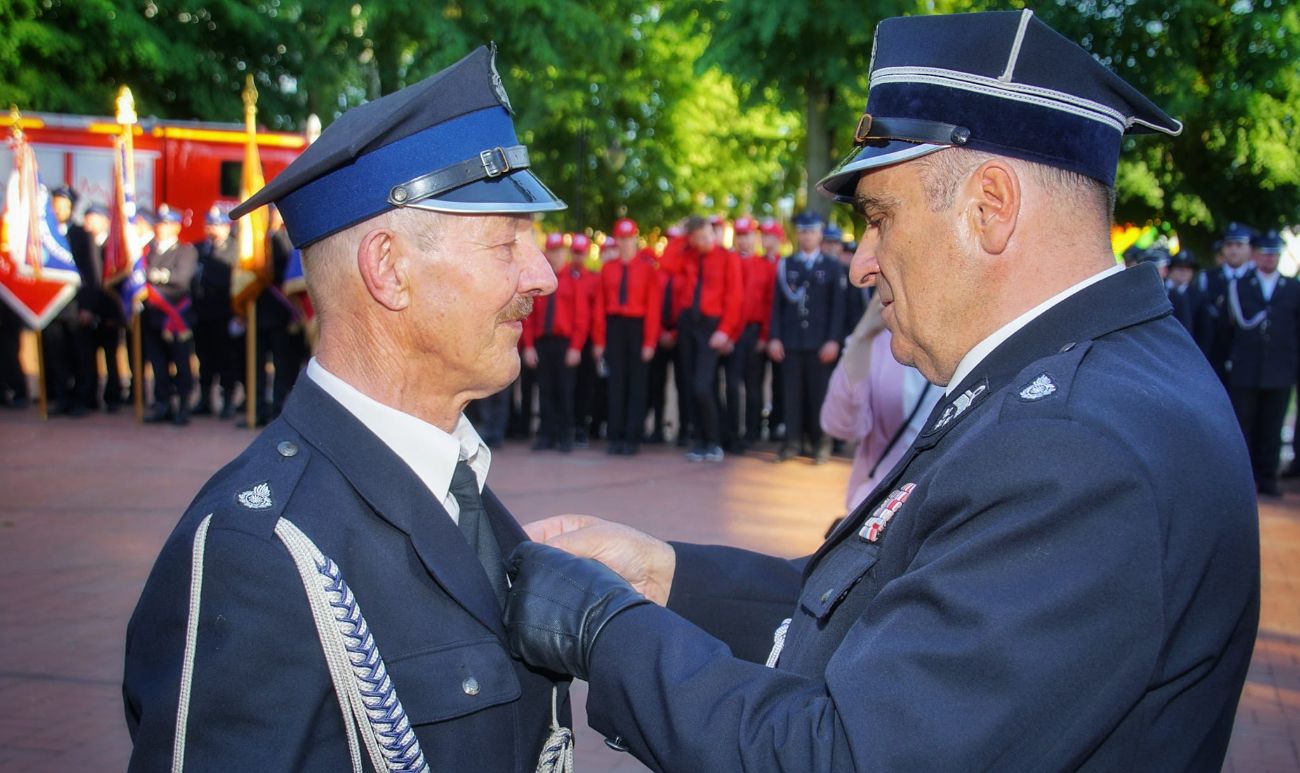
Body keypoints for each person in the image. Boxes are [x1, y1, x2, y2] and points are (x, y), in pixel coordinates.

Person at [501, 11, 1259, 771]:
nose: (862, 262)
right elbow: (884, 612)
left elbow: (844, 756)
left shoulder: (1076, 442)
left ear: (990, 206)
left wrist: (604, 629)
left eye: (879, 217)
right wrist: (663, 576)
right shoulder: (1084, 384)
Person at [124, 46, 573, 772]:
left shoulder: (466, 499)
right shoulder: (257, 553)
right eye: (506, 241)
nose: (542, 275)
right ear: (389, 268)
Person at [821, 295, 940, 512]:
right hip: (877, 506)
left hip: (941, 512)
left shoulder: (982, 343)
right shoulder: (881, 342)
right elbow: (839, 425)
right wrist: (861, 339)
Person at [768, 211, 847, 463]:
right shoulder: (787, 265)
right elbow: (776, 306)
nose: (807, 236)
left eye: (812, 231)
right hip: (792, 342)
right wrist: (775, 337)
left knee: (819, 396)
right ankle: (791, 442)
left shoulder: (832, 266)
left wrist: (834, 339)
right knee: (791, 395)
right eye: (803, 231)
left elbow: (838, 308)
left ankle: (820, 444)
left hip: (820, 343)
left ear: (820, 233)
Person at [1224, 230, 1297, 498]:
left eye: (1274, 254)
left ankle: (1268, 478)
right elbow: (1228, 331)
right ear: (1255, 255)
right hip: (1246, 369)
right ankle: (1245, 480)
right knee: (1244, 426)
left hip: (1279, 370)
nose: (1270, 259)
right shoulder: (1241, 285)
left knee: (1272, 427)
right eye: (1265, 253)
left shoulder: (1292, 288)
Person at [671, 215, 743, 462]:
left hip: (711, 327)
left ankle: (714, 441)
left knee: (703, 386)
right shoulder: (687, 254)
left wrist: (725, 330)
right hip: (689, 324)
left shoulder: (727, 257)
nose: (706, 241)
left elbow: (735, 298)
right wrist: (681, 238)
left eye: (708, 235)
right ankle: (701, 440)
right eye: (699, 237)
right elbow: (667, 264)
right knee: (694, 385)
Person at [592, 218, 660, 455]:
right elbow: (600, 308)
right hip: (615, 327)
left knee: (637, 386)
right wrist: (599, 341)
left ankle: (633, 437)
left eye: (629, 238)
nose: (625, 243)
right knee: (616, 384)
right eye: (621, 239)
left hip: (637, 327)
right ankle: (615, 436)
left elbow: (653, 308)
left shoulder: (647, 269)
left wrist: (650, 341)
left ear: (635, 238)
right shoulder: (608, 269)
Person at [523, 230, 590, 452]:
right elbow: (530, 316)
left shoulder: (573, 279)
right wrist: (530, 345)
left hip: (565, 343)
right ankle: (546, 435)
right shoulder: (540, 282)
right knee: (545, 391)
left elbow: (581, 317)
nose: (556, 256)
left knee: (565, 391)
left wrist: (576, 347)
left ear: (565, 253)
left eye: (559, 251)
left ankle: (565, 435)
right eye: (552, 251)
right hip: (544, 342)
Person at [140, 205, 198, 425]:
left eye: (165, 224)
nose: (160, 228)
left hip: (177, 318)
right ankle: (162, 404)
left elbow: (181, 280)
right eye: (159, 223)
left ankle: (183, 406)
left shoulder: (186, 250)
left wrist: (154, 277)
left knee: (181, 363)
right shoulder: (147, 250)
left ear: (175, 226)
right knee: (158, 365)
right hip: (153, 318)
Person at [726, 215, 775, 452]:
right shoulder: (729, 262)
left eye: (747, 236)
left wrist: (764, 335)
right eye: (740, 236)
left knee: (753, 385)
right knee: (732, 384)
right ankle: (733, 432)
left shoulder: (764, 266)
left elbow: (769, 303)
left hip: (754, 332)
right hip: (733, 332)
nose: (743, 241)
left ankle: (752, 433)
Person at [191, 207, 239, 419]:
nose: (212, 229)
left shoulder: (234, 249)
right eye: (209, 224)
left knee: (226, 359)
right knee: (204, 358)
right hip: (202, 313)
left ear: (226, 226)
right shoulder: (200, 248)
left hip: (225, 312)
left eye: (217, 225)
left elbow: (225, 280)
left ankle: (228, 400)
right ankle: (205, 399)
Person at [1196, 222, 1255, 385]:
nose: (1233, 250)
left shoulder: (1255, 281)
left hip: (1247, 362)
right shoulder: (1208, 278)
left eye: (1239, 245)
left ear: (1249, 248)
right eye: (1229, 244)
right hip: (1213, 359)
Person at [1166, 249, 1199, 335]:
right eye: (1179, 268)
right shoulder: (1162, 291)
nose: (1184, 272)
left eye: (1188, 269)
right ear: (1170, 270)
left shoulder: (1199, 296)